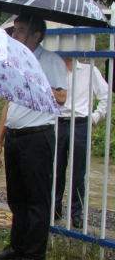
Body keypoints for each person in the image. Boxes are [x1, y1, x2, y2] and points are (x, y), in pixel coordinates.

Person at [0, 14, 67, 260]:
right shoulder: (16, 62)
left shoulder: (50, 61)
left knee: (37, 198)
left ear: (36, 35)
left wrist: (34, 80)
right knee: (17, 196)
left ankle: (36, 255)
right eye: (14, 31)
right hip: (15, 136)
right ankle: (18, 246)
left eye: (21, 31)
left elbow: (61, 97)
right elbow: (9, 104)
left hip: (37, 137)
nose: (15, 36)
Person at [54, 57, 109, 229]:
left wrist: (94, 118)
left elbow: (105, 96)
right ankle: (55, 209)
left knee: (78, 172)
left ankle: (76, 212)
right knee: (56, 169)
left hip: (80, 123)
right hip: (58, 122)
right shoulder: (54, 69)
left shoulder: (89, 70)